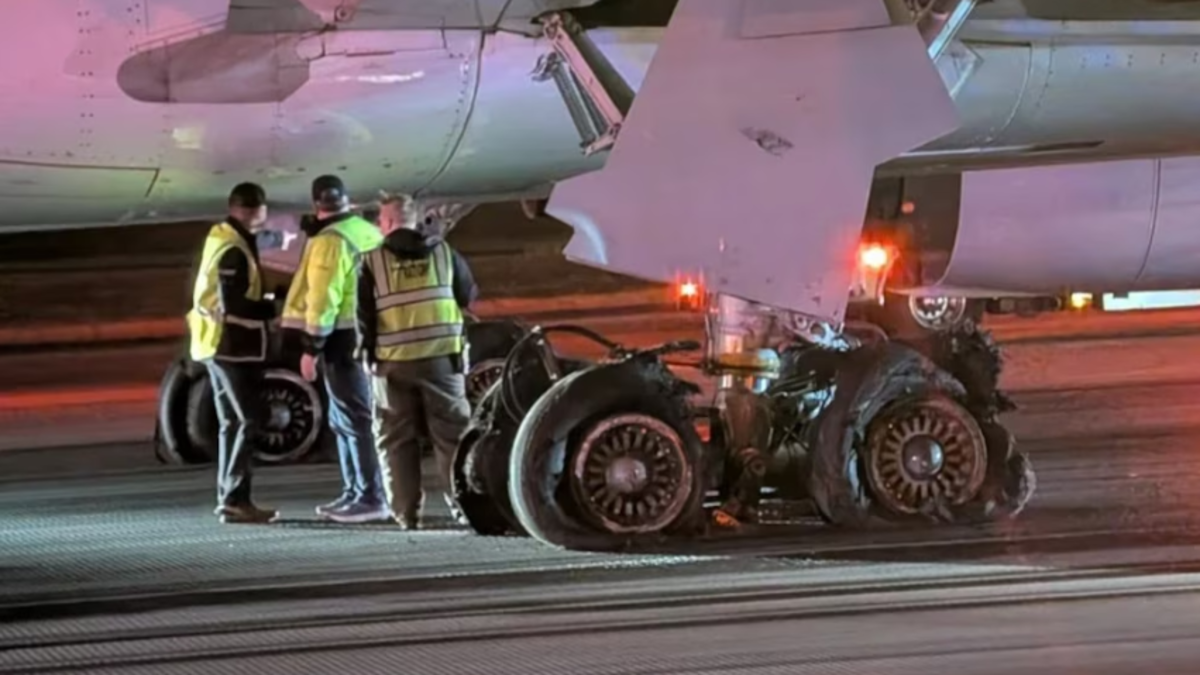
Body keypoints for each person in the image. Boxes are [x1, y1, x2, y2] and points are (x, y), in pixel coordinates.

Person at [357, 193, 478, 530]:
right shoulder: (443, 253)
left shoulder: (371, 262)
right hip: (442, 361)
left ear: (390, 222)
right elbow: (468, 295)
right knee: (452, 437)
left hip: (392, 365)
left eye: (380, 220)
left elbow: (364, 317)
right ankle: (465, 507)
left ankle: (407, 514)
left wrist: (367, 355)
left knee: (395, 441)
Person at [281, 175, 387, 524]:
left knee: (352, 418)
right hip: (368, 333)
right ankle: (357, 491)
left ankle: (369, 496)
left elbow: (323, 299)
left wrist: (311, 348)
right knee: (352, 416)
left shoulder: (329, 241)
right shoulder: (367, 231)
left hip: (341, 340)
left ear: (316, 204)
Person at [186, 182, 279, 524]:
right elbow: (235, 303)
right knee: (248, 419)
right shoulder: (234, 250)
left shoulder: (221, 236)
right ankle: (236, 498)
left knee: (231, 422)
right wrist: (271, 309)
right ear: (258, 211)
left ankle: (228, 497)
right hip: (232, 346)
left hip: (214, 343)